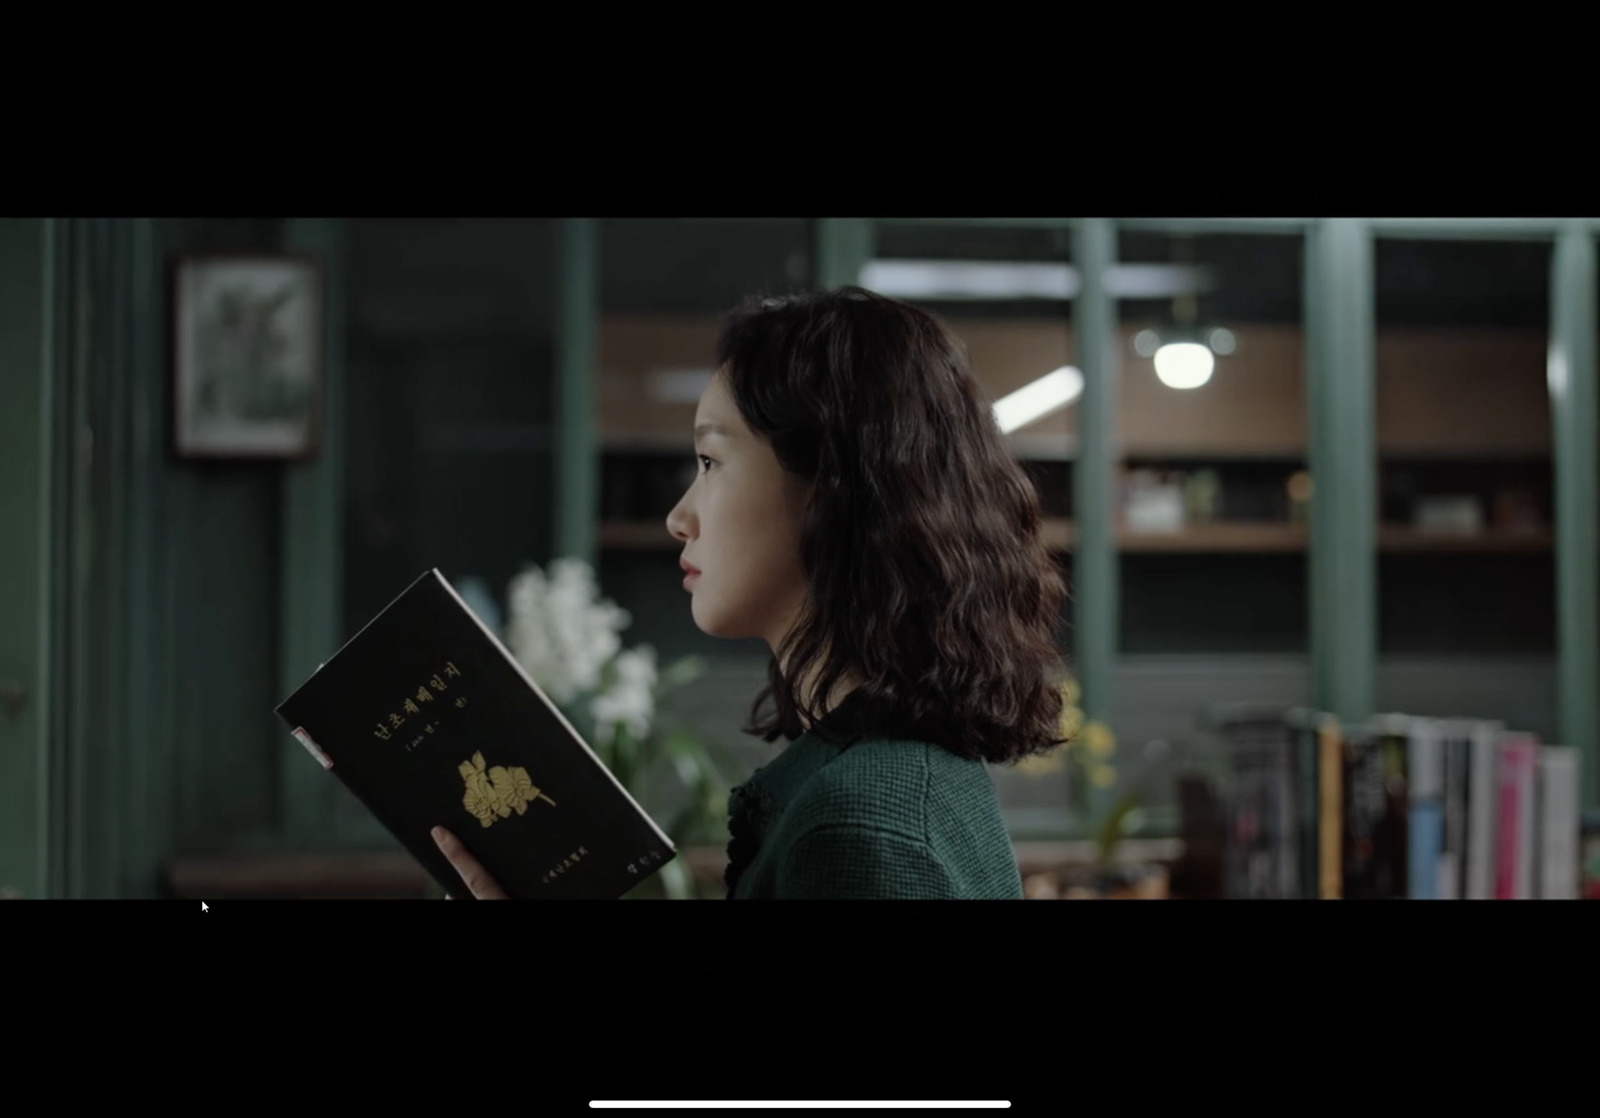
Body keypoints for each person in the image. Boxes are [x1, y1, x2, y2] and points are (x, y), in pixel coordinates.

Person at [432, 286, 1070, 899]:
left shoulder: (860, 825)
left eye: (710, 463)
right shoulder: (884, 781)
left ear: (831, 488)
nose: (679, 517)